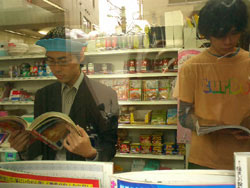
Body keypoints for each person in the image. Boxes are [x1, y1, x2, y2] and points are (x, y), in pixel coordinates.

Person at [9, 26, 119, 161]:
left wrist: (91, 153)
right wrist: (23, 148)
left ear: (81, 56)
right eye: (50, 61)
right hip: (50, 175)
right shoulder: (43, 95)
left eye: (63, 61)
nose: (56, 69)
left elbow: (110, 145)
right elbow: (39, 145)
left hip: (85, 175)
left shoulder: (105, 95)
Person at [174, 0, 250, 169]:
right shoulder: (192, 67)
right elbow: (183, 116)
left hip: (245, 159)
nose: (229, 41)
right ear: (208, 33)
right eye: (221, 35)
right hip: (204, 160)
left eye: (234, 33)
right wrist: (206, 126)